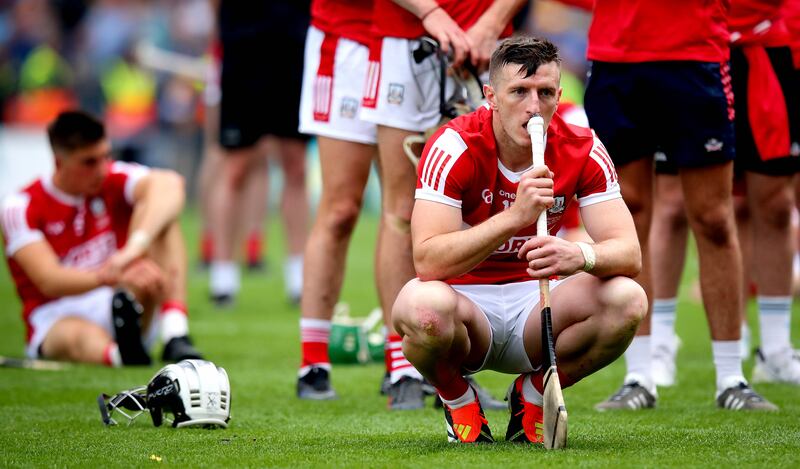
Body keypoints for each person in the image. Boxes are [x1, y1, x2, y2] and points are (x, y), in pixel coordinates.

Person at [392, 36, 647, 443]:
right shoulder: (454, 145)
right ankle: (458, 400)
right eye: (519, 92)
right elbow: (427, 261)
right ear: (491, 96)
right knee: (422, 308)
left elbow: (628, 252)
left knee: (628, 300)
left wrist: (579, 255)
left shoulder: (583, 146)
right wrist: (515, 217)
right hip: (466, 309)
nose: (534, 107)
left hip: (539, 306)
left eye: (545, 93)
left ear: (559, 95)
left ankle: (530, 394)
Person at [585, 0, 777, 411]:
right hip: (617, 56)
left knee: (713, 218)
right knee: (630, 213)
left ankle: (732, 379)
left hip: (695, 56)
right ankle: (639, 376)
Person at [359, 0, 524, 410]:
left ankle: (454, 366)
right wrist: (430, 12)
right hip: (404, 36)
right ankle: (401, 368)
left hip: (489, 42)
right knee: (401, 209)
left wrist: (492, 20)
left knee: (472, 208)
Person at [649, 0, 800, 389]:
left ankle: (776, 350)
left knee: (776, 204)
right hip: (689, 51)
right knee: (674, 204)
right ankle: (660, 346)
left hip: (766, 46)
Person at [0, 110, 203, 366]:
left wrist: (133, 250)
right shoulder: (20, 206)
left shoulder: (112, 178)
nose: (102, 169)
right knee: (74, 337)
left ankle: (176, 333)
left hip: (125, 297)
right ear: (59, 162)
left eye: (106, 156)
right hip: (59, 312)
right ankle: (124, 355)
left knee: (163, 219)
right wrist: (111, 274)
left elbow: (171, 184)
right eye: (89, 162)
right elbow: (48, 280)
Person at [294, 0, 379, 401]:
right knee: (340, 210)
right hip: (349, 42)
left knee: (425, 208)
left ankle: (415, 366)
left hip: (429, 47)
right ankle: (313, 362)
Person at [208, 0, 310, 307]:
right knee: (235, 169)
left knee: (296, 167)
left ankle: (298, 275)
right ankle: (223, 274)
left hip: (293, 50)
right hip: (244, 52)